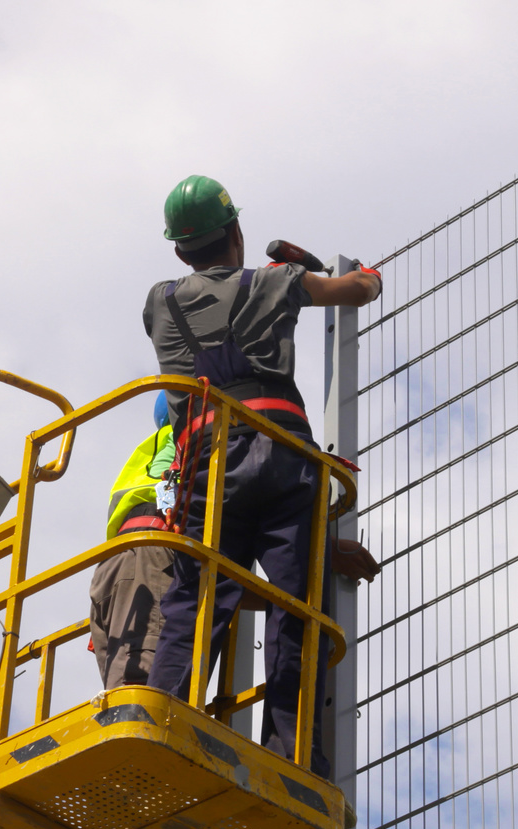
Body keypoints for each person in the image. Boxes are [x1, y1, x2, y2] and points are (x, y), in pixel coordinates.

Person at [142, 175, 381, 770]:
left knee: (195, 598)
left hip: (207, 463)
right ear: (238, 234)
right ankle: (292, 750)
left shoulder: (158, 302)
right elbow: (356, 290)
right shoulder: (274, 282)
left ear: (178, 249)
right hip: (281, 454)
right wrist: (357, 274)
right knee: (294, 602)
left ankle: (162, 722)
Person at [90, 393, 176, 688]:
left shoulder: (150, 449)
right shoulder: (187, 436)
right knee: (142, 680)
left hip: (117, 563)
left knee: (121, 680)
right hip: (147, 558)